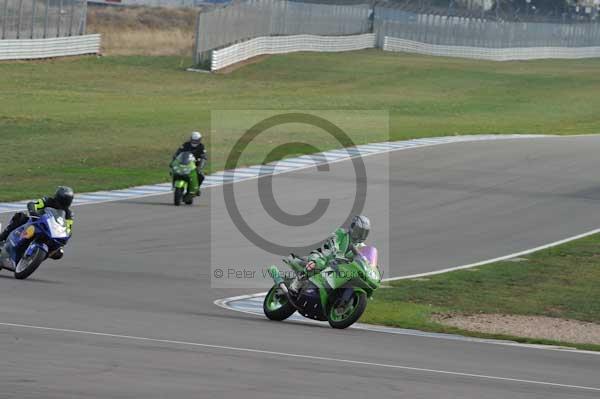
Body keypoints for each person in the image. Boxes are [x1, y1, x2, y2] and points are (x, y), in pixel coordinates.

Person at [289, 215, 371, 292]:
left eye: (364, 233)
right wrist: (337, 252)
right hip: (325, 257)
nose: (361, 235)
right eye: (359, 231)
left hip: (340, 267)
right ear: (353, 227)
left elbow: (364, 259)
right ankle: (296, 283)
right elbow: (334, 242)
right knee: (317, 263)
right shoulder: (341, 233)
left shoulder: (361, 247)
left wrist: (369, 266)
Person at [0, 186, 74, 260]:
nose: (65, 202)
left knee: (59, 253)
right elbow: (33, 204)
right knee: (20, 217)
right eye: (64, 200)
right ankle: (2, 237)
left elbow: (68, 228)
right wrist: (33, 212)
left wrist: (65, 237)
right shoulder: (48, 200)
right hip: (37, 222)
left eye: (67, 200)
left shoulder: (68, 214)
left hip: (52, 232)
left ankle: (33, 258)